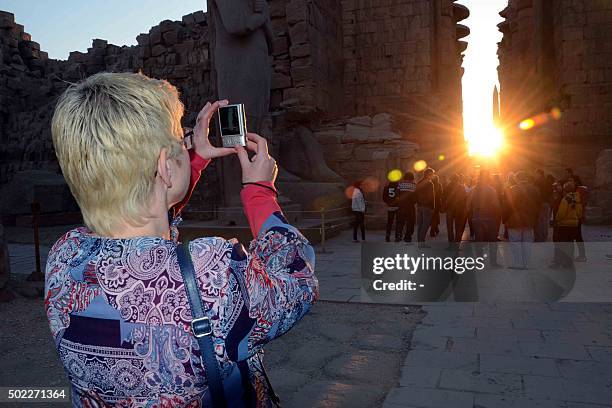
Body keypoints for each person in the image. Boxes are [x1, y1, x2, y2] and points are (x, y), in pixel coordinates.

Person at [45, 72, 318, 407]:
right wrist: (260, 192)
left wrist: (194, 159)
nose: (187, 143)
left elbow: (139, 223)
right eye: (181, 138)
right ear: (164, 166)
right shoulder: (210, 273)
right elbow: (296, 279)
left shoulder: (64, 257)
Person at [505, 171, 540, 269]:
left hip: (514, 220)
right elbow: (538, 206)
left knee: (515, 242)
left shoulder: (512, 189)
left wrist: (505, 219)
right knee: (527, 242)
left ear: (517, 178)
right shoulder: (535, 190)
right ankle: (526, 263)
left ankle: (518, 263)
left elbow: (508, 206)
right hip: (529, 220)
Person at [468, 169, 501, 266]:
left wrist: (473, 213)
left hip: (476, 218)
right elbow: (496, 205)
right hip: (489, 218)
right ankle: (493, 262)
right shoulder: (491, 189)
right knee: (492, 241)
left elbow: (467, 204)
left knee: (479, 240)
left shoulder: (473, 190)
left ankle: (479, 262)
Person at [551, 181, 583, 268]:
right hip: (574, 224)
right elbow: (580, 213)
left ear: (565, 190)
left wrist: (557, 219)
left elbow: (561, 213)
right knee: (570, 244)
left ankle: (558, 262)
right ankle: (568, 263)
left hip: (564, 225)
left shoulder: (565, 199)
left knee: (561, 244)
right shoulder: (577, 198)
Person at [444, 174, 468, 250]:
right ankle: (457, 245)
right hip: (459, 209)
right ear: (458, 180)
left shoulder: (447, 187)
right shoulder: (461, 187)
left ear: (451, 179)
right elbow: (464, 198)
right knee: (458, 227)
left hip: (450, 209)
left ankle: (451, 245)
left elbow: (443, 197)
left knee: (450, 227)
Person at [415, 168, 436, 246]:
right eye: (432, 174)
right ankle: (422, 242)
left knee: (420, 224)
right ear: (428, 174)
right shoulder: (430, 183)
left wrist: (418, 203)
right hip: (427, 206)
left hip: (419, 206)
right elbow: (431, 197)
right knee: (426, 225)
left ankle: (419, 241)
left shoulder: (419, 182)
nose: (433, 175)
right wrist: (432, 207)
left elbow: (415, 194)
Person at [395, 172, 417, 242]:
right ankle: (407, 237)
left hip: (401, 206)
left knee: (400, 222)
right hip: (410, 207)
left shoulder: (400, 185)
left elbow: (396, 195)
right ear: (412, 178)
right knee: (410, 222)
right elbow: (416, 197)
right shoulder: (414, 185)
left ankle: (398, 235)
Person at [534, 169, 553, 242]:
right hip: (547, 203)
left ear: (539, 173)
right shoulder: (548, 181)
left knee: (539, 222)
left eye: (536, 173)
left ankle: (539, 237)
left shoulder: (537, 181)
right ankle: (544, 236)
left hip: (540, 203)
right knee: (545, 221)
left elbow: (536, 193)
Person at [382, 176, 400, 242]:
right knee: (398, 222)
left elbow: (384, 197)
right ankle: (397, 236)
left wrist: (388, 203)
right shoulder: (399, 186)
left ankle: (387, 236)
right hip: (397, 207)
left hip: (390, 207)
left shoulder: (386, 186)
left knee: (389, 222)